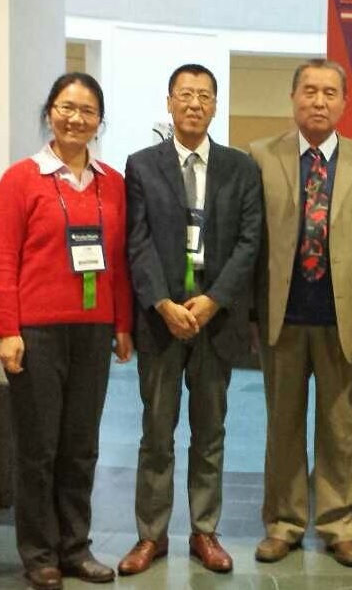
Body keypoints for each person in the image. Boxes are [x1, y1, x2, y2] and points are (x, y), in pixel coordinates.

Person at [249, 59, 352, 567]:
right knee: (283, 427)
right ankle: (283, 523)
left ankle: (340, 524)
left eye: (329, 92)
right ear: (293, 97)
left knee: (341, 430)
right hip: (281, 316)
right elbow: (250, 239)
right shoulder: (260, 157)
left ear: (344, 102)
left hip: (344, 320)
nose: (319, 101)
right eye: (309, 91)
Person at [118, 63, 263, 576]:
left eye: (204, 95)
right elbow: (136, 240)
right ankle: (150, 535)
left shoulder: (241, 168)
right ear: (169, 102)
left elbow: (250, 241)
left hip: (215, 320)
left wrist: (214, 299)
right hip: (161, 319)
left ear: (215, 105)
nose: (194, 103)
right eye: (185, 94)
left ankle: (205, 531)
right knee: (156, 433)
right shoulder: (142, 165)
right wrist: (162, 303)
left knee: (210, 431)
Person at [0, 73, 133, 590]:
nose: (76, 118)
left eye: (87, 110)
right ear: (50, 112)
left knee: (81, 445)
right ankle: (39, 554)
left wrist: (122, 324)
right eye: (66, 107)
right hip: (37, 333)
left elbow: (118, 261)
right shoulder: (21, 178)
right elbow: (5, 258)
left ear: (100, 120)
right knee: (38, 448)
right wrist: (7, 329)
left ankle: (76, 547)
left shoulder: (111, 183)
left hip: (93, 332)